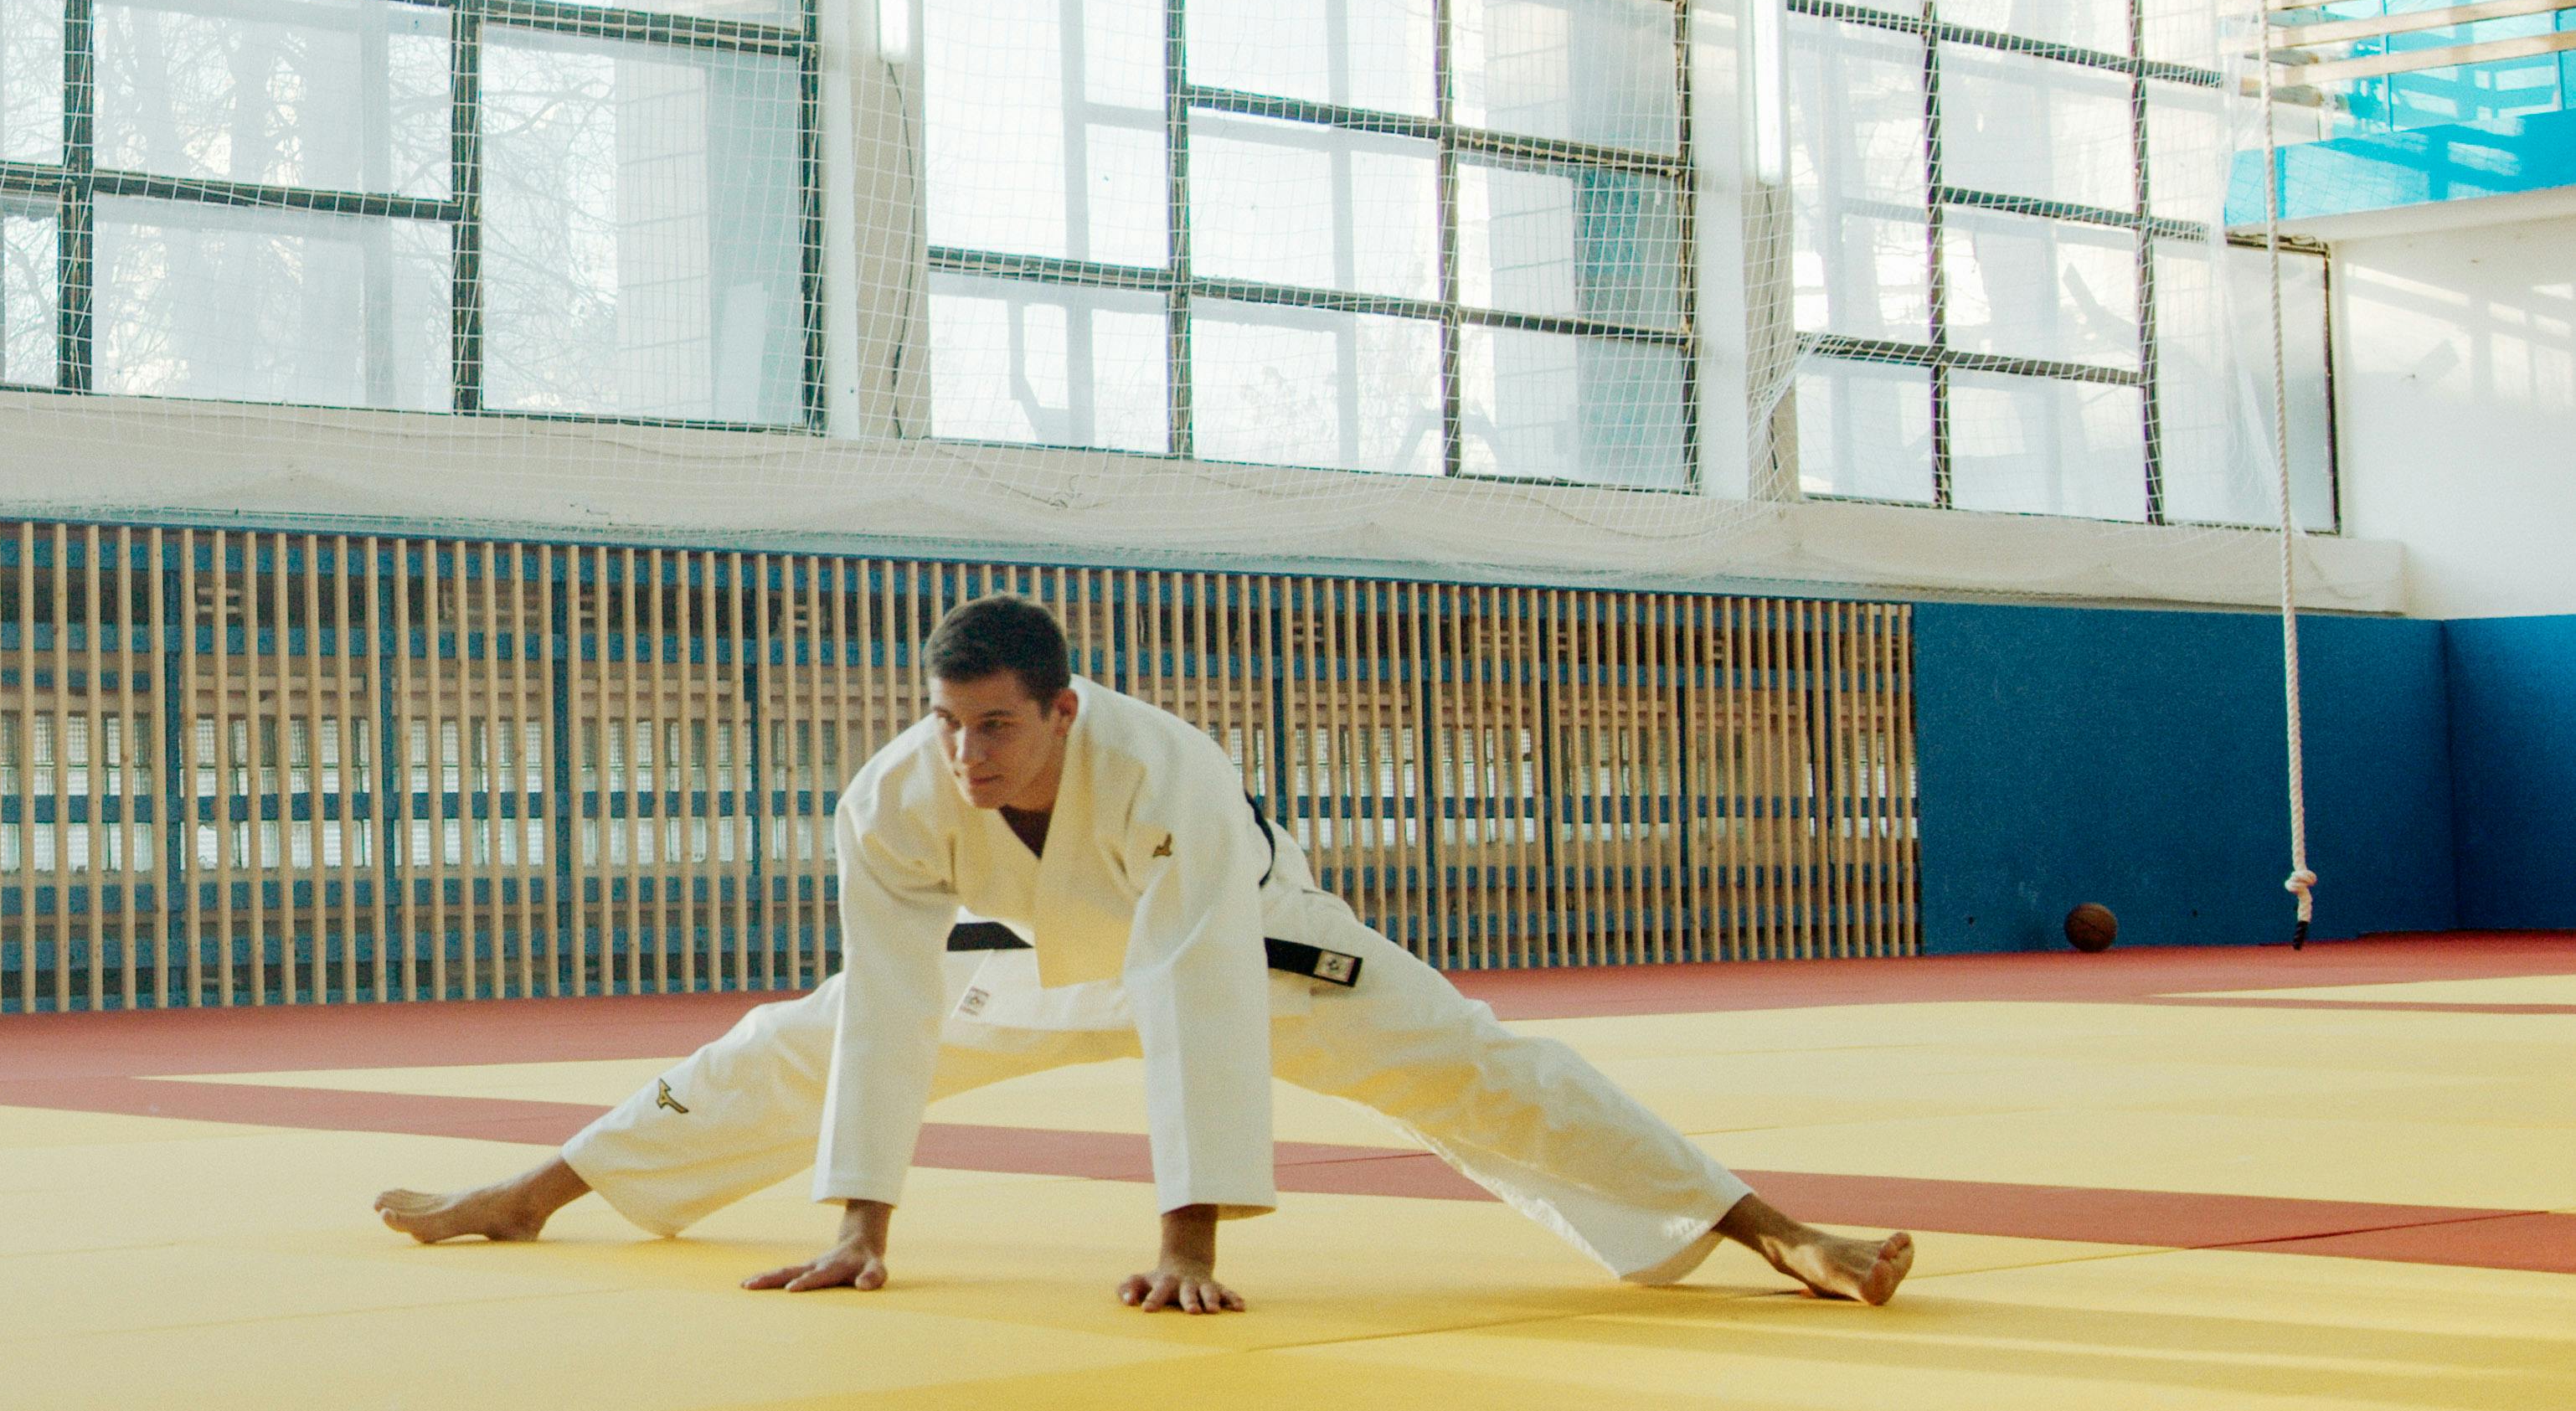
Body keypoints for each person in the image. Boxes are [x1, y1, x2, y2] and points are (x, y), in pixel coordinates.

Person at [376, 593, 1912, 1311]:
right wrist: (864, 1226)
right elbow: (893, 1008)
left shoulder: (1163, 767)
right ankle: (536, 1191)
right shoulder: (895, 800)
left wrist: (1187, 1249)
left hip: (1252, 951)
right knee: (796, 1036)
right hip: (1027, 955)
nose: (968, 753)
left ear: (1062, 709)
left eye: (996, 726)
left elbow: (1192, 997)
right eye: (947, 722)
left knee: (1483, 1069)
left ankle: (1768, 1228)